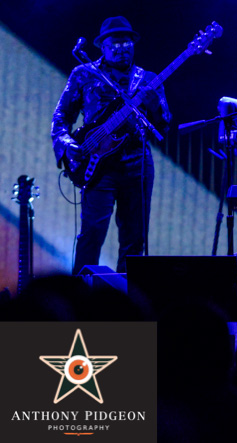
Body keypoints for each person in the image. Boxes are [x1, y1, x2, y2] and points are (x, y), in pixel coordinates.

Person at [51, 16, 171, 274]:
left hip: (137, 162)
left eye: (126, 41)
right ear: (102, 46)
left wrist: (154, 106)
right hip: (97, 164)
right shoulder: (84, 74)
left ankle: (129, 303)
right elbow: (61, 117)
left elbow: (164, 125)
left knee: (134, 237)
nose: (121, 47)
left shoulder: (147, 79)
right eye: (114, 42)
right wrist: (66, 143)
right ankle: (81, 300)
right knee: (92, 231)